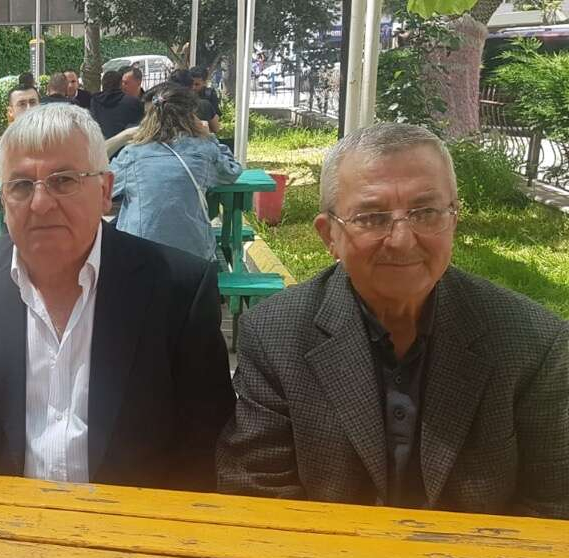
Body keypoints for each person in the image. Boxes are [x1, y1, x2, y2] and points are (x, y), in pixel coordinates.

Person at [217, 122, 569, 519]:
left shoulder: (533, 344)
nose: (402, 240)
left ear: (454, 218)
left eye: (426, 212)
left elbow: (553, 509)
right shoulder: (277, 334)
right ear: (329, 236)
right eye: (372, 217)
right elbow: (257, 495)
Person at [0, 105, 233, 489]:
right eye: (21, 185)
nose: (40, 203)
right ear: (3, 200)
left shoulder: (177, 289)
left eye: (63, 181)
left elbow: (204, 444)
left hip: (128, 520)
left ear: (105, 191)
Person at [111, 83, 240, 262]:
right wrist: (210, 136)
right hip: (194, 256)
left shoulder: (132, 154)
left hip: (140, 255)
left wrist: (123, 136)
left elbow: (103, 184)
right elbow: (232, 172)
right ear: (191, 115)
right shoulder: (204, 150)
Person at [90, 70, 144, 141]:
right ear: (120, 84)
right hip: (125, 142)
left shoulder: (94, 100)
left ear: (102, 84)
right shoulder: (132, 101)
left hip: (101, 142)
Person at [165, 69, 221, 134]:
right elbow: (216, 129)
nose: (194, 88)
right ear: (191, 86)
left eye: (197, 84)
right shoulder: (204, 105)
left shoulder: (162, 106)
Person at [189, 66, 222, 130]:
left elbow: (216, 115)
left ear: (204, 83)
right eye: (191, 84)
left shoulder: (209, 94)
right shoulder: (185, 93)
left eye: (197, 84)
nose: (193, 87)